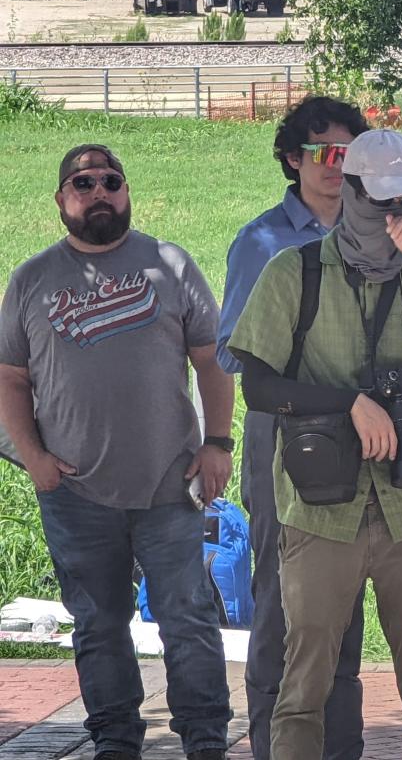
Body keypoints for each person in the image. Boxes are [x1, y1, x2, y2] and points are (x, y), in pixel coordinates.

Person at [227, 129, 402, 760]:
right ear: (351, 193)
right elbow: (257, 386)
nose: (396, 219)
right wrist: (347, 402)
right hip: (321, 507)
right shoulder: (295, 272)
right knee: (303, 687)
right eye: (382, 203)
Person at [0, 144, 234, 760]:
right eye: (83, 182)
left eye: (111, 181)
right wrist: (33, 458)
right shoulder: (31, 279)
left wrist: (218, 443)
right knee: (98, 624)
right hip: (75, 493)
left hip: (169, 483)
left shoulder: (170, 264)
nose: (98, 190)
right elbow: (11, 379)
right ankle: (115, 740)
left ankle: (207, 738)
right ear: (61, 199)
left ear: (126, 191)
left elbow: (213, 362)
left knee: (188, 620)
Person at [217, 96, 368, 760]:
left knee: (346, 592)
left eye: (347, 152)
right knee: (281, 593)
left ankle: (341, 745)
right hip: (282, 434)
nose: (335, 164)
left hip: (365, 435)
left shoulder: (383, 234)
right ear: (291, 157)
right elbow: (231, 350)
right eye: (320, 151)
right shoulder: (261, 241)